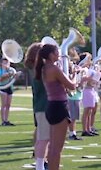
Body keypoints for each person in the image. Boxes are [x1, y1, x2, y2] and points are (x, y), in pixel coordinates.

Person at [35, 44, 76, 170]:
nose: (59, 54)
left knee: (53, 147)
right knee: (56, 150)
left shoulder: (44, 68)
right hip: (59, 107)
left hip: (51, 106)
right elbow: (72, 86)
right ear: (51, 55)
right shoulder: (53, 68)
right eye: (57, 52)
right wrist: (76, 75)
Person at [26, 42, 49, 170]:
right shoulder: (40, 69)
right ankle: (40, 161)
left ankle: (41, 159)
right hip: (44, 105)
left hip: (40, 104)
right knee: (43, 138)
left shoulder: (36, 68)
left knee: (41, 135)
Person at [0, 57, 16, 126]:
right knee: (4, 104)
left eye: (7, 63)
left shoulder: (11, 70)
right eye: (4, 63)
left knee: (8, 105)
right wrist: (3, 77)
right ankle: (3, 120)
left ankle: (6, 119)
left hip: (9, 88)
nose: (5, 64)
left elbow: (13, 78)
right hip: (3, 87)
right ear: (1, 63)